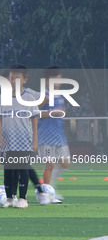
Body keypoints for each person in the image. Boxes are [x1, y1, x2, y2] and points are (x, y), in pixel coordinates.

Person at [0, 64, 41, 208]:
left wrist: (35, 141)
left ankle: (23, 198)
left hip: (25, 141)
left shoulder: (29, 97)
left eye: (17, 79)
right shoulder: (3, 97)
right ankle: (9, 198)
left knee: (22, 168)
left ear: (25, 80)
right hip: (9, 141)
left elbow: (34, 120)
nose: (13, 81)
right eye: (11, 78)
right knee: (8, 169)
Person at [29, 66, 70, 204]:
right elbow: (34, 113)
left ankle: (51, 189)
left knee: (65, 163)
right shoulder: (42, 95)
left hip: (59, 135)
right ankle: (48, 194)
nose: (58, 83)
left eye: (59, 80)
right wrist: (53, 112)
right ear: (47, 80)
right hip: (45, 135)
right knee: (50, 164)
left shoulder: (60, 95)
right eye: (55, 80)